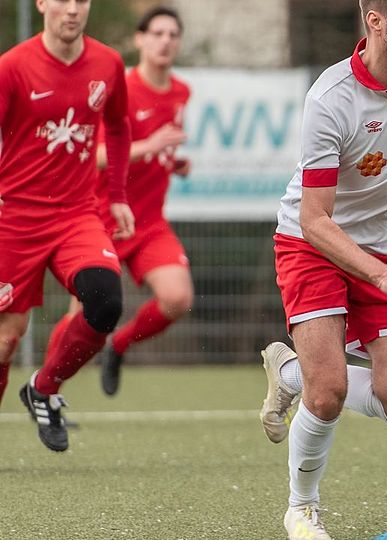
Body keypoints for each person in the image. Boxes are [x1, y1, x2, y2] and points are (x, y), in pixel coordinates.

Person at [257, 0, 387, 537]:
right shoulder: (330, 98)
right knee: (328, 392)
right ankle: (302, 508)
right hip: (313, 244)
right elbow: (315, 220)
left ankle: (291, 372)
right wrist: (383, 276)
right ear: (376, 22)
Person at [0, 0, 133, 452]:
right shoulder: (13, 67)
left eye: (82, 0)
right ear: (41, 4)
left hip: (77, 215)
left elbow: (118, 127)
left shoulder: (108, 63)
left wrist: (117, 196)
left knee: (105, 301)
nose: (73, 9)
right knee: (6, 340)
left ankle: (43, 388)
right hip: (15, 217)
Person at [50, 6, 193, 397]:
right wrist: (149, 146)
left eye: (172, 34)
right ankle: (47, 391)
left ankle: (119, 346)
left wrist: (172, 162)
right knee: (82, 313)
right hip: (102, 218)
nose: (165, 41)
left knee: (178, 297)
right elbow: (95, 155)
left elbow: (155, 152)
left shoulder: (181, 92)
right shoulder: (120, 89)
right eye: (157, 33)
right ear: (139, 40)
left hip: (149, 223)